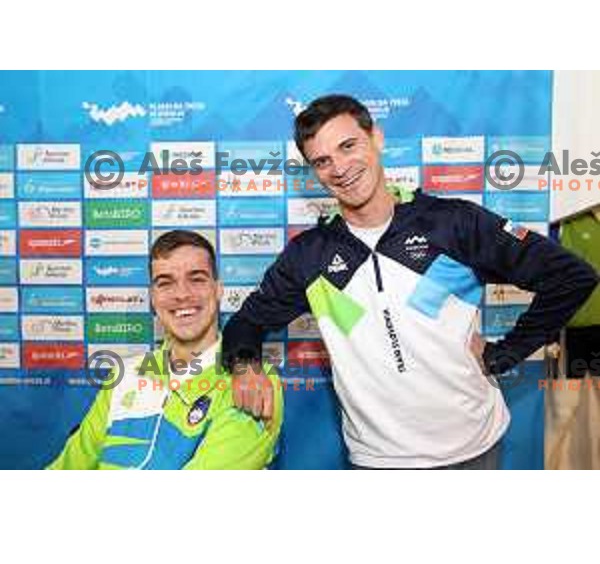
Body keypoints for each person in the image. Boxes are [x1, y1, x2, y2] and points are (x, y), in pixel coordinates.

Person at [223, 94, 599, 469]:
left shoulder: (452, 222)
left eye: (348, 146)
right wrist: (244, 366)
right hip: (378, 460)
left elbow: (571, 277)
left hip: (474, 447)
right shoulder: (309, 255)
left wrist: (507, 352)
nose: (339, 168)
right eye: (323, 161)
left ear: (378, 138)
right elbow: (247, 322)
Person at [49, 230, 283, 470]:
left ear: (218, 289)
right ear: (152, 298)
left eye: (197, 279)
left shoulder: (254, 380)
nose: (182, 294)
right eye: (165, 283)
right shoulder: (125, 374)